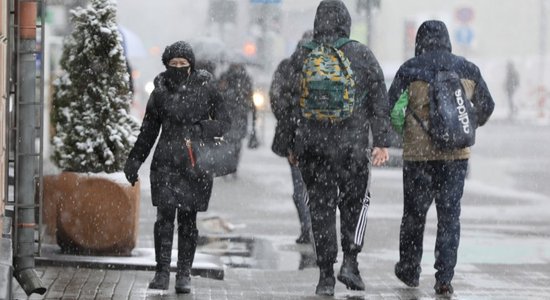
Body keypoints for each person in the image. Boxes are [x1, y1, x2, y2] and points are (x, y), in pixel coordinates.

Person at [280, 0, 391, 295]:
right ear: (346, 22)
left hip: (313, 148)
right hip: (352, 148)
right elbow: (380, 101)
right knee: (356, 206)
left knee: (320, 209)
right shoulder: (361, 54)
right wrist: (381, 141)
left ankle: (325, 276)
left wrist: (289, 144)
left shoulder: (303, 55)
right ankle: (351, 263)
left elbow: (288, 103)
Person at [387, 20, 495, 296]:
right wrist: (466, 125)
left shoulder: (409, 69)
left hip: (418, 156)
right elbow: (487, 106)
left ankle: (410, 270)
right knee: (449, 216)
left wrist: (403, 132)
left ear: (420, 41)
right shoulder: (468, 69)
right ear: (447, 40)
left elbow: (388, 107)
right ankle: (444, 277)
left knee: (414, 214)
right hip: (456, 156)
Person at [123, 41, 230, 294]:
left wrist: (201, 129)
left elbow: (225, 121)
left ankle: (184, 274)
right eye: (174, 64)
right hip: (165, 162)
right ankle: (161, 273)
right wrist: (135, 160)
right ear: (166, 65)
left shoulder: (206, 88)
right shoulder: (160, 91)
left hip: (195, 161)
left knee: (188, 219)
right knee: (164, 217)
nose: (179, 67)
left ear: (191, 65)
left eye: (183, 64)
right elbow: (149, 130)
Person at [270, 31, 314, 245]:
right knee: (320, 188)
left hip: (294, 136)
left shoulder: (287, 66)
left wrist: (288, 117)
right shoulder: (324, 65)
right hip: (320, 136)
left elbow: (275, 97)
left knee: (299, 186)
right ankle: (316, 228)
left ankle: (307, 227)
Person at [217, 63, 257, 175]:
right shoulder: (225, 76)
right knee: (228, 142)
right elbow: (218, 93)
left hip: (239, 114)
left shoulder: (244, 77)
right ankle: (228, 165)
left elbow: (249, 95)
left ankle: (233, 166)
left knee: (236, 142)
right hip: (229, 114)